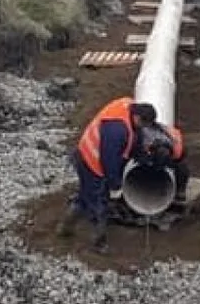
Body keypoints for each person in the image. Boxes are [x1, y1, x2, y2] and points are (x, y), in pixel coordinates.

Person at [67, 97, 159, 253]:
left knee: (86, 194)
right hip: (90, 161)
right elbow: (109, 161)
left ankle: (66, 225)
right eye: (143, 124)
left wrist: (144, 156)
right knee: (99, 202)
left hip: (90, 155)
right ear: (137, 117)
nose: (143, 128)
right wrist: (115, 185)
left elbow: (136, 136)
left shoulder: (129, 107)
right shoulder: (116, 130)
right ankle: (98, 243)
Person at [135, 120, 190, 205]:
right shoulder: (142, 133)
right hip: (150, 155)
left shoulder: (171, 138)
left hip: (167, 156)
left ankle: (179, 191)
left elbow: (178, 155)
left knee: (182, 167)